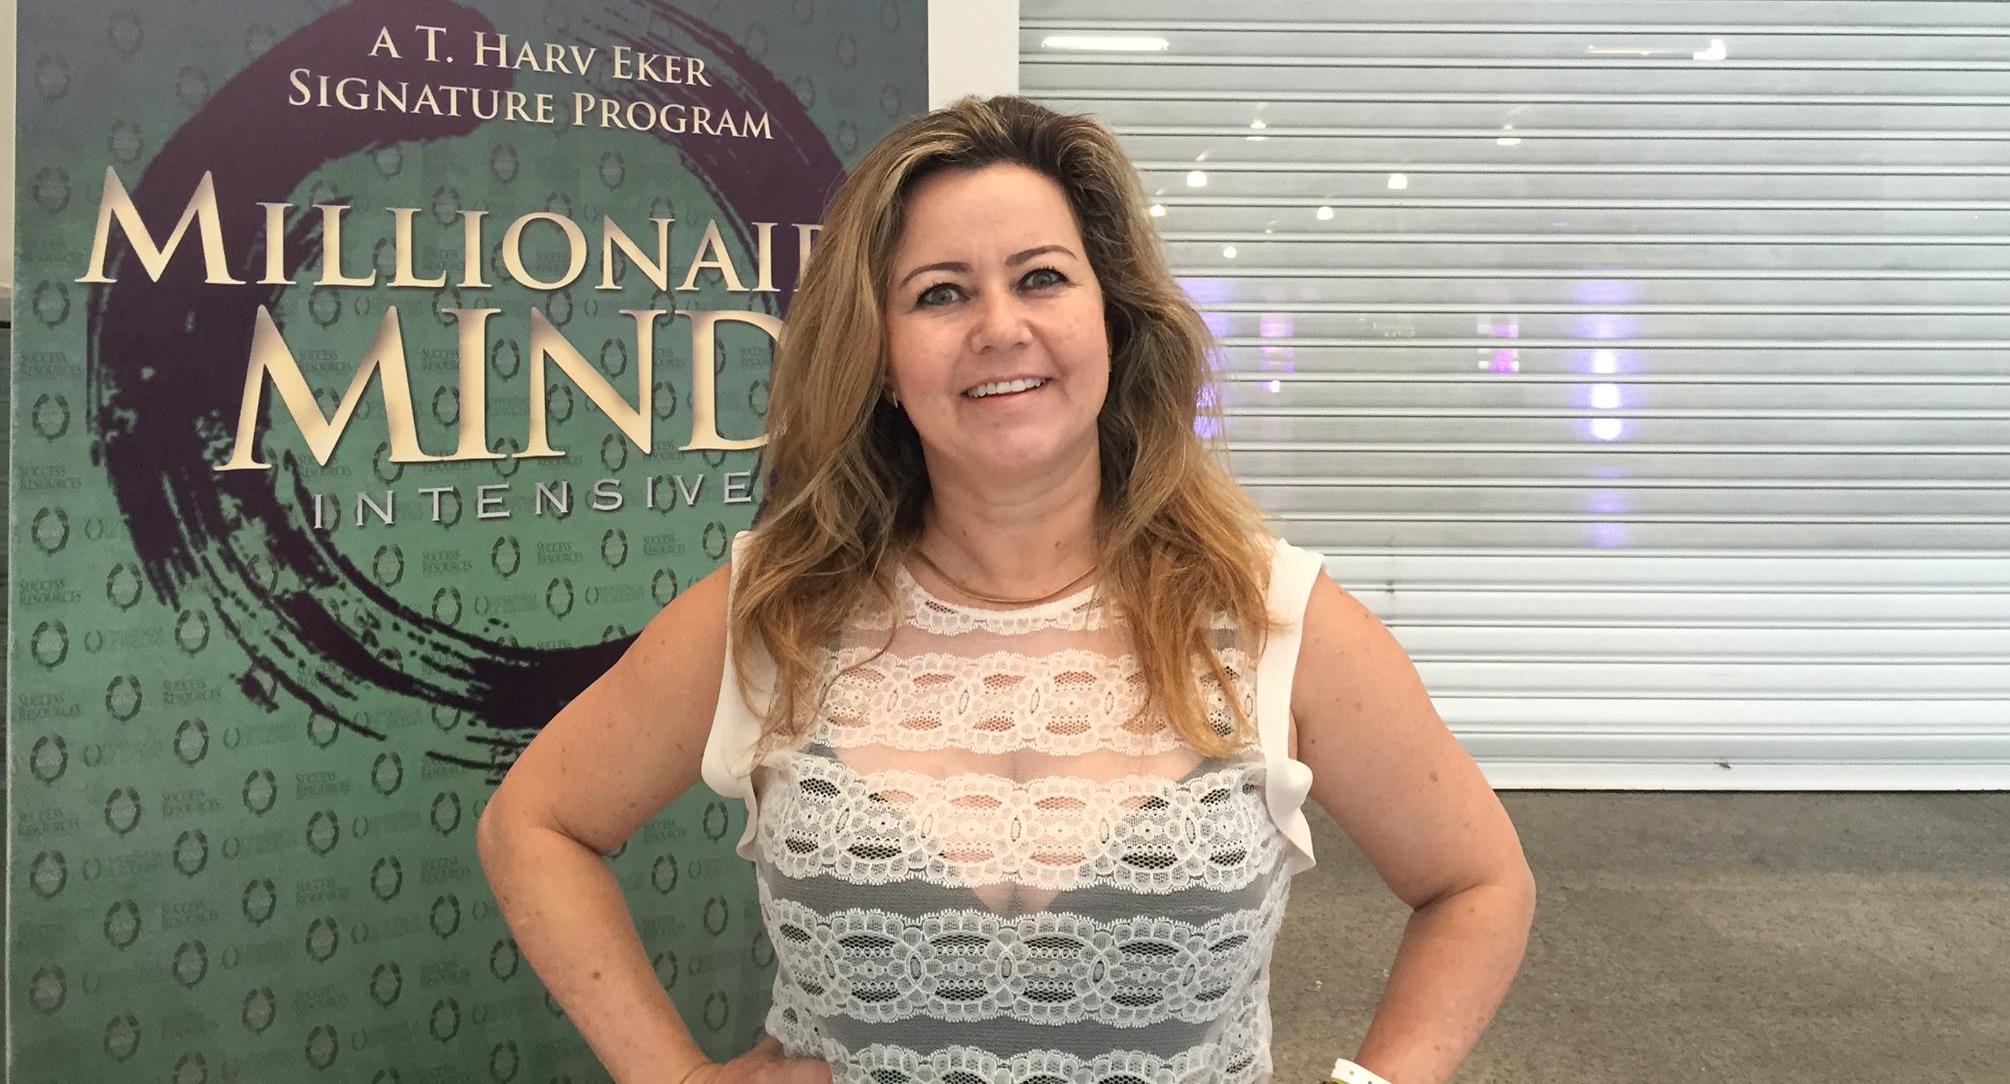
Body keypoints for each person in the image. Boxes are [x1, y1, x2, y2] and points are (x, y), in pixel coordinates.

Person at [477, 94, 1535, 1084]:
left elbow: (1477, 886)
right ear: (880, 356)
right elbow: (536, 824)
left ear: (1112, 320)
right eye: (939, 293)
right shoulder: (774, 611)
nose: (998, 327)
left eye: (1041, 279)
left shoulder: (1270, 617)